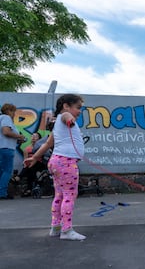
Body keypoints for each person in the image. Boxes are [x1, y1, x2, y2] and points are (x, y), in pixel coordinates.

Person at [25, 94, 86, 241]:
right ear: (66, 106)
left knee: (59, 195)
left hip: (56, 161)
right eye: (78, 108)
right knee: (69, 195)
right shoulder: (65, 116)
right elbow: (67, 117)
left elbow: (47, 144)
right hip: (66, 162)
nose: (80, 111)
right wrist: (70, 121)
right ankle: (66, 230)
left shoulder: (58, 125)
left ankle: (56, 227)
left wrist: (34, 157)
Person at [0, 103, 26, 200]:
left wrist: (16, 139)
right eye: (13, 111)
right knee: (7, 171)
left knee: (1, 171)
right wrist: (20, 136)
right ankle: (2, 193)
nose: (14, 114)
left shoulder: (1, 118)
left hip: (2, 148)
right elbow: (6, 132)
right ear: (9, 111)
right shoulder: (6, 118)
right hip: (6, 148)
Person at [18, 132, 44, 197]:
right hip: (30, 165)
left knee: (31, 167)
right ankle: (29, 189)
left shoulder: (41, 147)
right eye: (32, 136)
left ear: (39, 139)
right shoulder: (26, 149)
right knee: (30, 169)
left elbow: (39, 158)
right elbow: (25, 160)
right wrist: (25, 166)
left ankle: (18, 178)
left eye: (35, 136)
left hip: (39, 164)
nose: (33, 137)